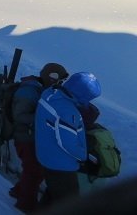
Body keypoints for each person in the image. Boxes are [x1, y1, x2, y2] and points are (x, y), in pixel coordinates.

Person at [8, 62, 68, 212]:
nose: (60, 84)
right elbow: (19, 116)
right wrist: (44, 118)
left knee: (35, 170)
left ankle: (18, 191)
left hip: (34, 137)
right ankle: (26, 206)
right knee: (33, 171)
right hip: (25, 137)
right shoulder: (29, 90)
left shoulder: (43, 89)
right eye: (59, 80)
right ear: (51, 77)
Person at [35, 71, 101, 205]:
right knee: (68, 202)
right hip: (61, 164)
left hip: (47, 155)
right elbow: (68, 143)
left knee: (53, 195)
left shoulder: (50, 93)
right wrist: (83, 156)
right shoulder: (67, 111)